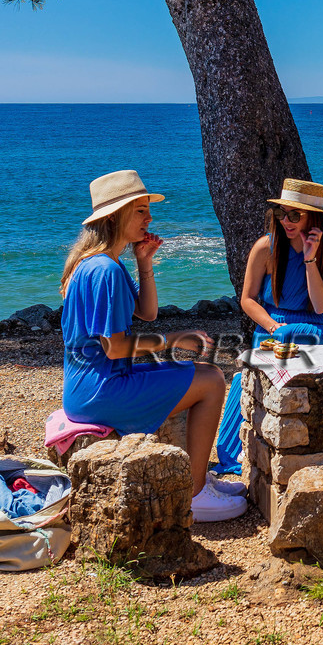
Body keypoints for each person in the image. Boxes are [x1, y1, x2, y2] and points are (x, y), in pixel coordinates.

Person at [60, 169, 246, 522]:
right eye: (141, 211)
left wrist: (144, 263)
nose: (150, 218)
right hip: (102, 391)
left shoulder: (102, 264)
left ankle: (198, 479)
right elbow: (115, 347)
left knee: (204, 374)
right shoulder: (104, 270)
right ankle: (195, 494)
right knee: (212, 380)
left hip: (90, 387)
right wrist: (175, 341)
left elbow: (147, 312)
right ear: (116, 216)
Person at [214, 178, 323, 474]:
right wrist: (274, 327)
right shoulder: (265, 247)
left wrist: (310, 259)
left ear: (313, 217)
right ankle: (232, 454)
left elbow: (321, 305)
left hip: (317, 329)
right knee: (245, 379)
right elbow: (247, 300)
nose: (286, 221)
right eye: (281, 214)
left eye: (294, 215)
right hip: (273, 329)